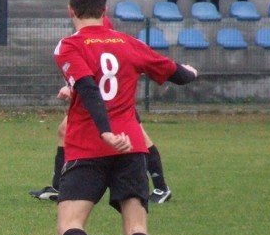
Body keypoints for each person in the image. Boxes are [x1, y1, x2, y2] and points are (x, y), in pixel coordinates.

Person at [53, 0, 197, 235]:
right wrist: (192, 71)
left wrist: (103, 131)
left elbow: (88, 89)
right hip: (131, 147)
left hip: (88, 147)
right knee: (135, 224)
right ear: (105, 11)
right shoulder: (128, 43)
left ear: (71, 10)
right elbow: (176, 72)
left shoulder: (69, 46)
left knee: (70, 223)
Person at [29, 87, 173, 204]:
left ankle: (161, 188)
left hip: (114, 98)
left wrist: (71, 87)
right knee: (64, 130)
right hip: (95, 98)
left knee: (140, 138)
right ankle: (58, 187)